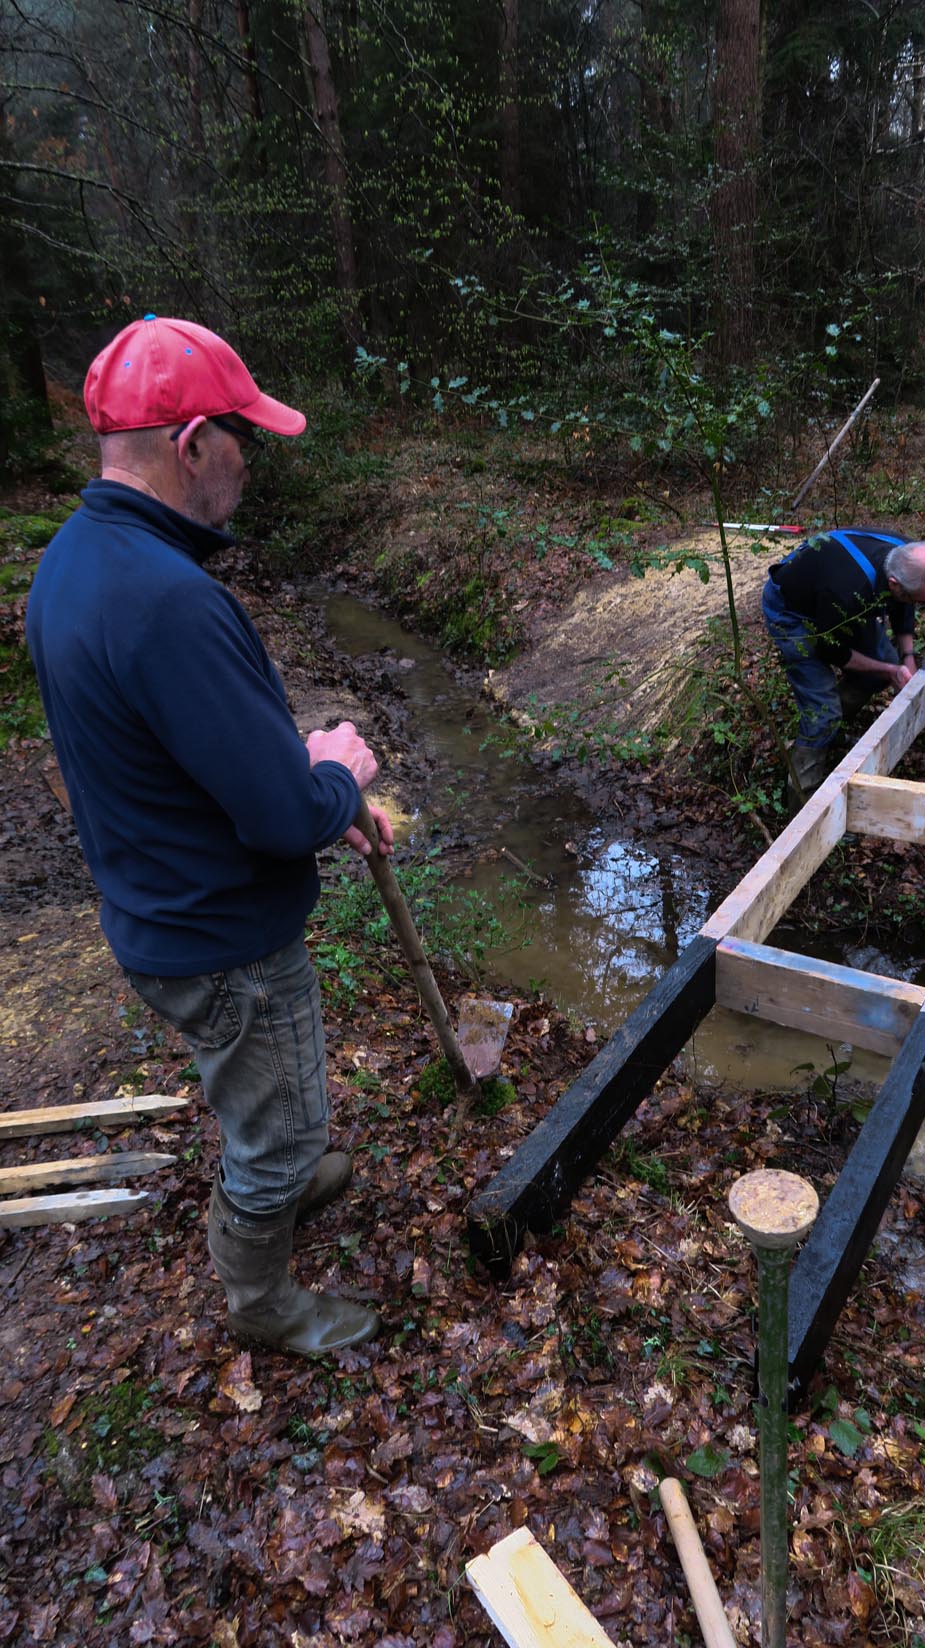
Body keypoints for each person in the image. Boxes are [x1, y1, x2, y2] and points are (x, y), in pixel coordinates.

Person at [26, 314, 395, 1356]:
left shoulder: (72, 565)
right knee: (280, 1124)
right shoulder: (170, 601)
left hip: (155, 910)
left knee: (254, 1088)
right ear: (191, 441)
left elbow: (164, 754)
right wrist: (335, 774)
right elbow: (282, 818)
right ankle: (261, 1293)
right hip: (223, 937)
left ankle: (276, 1171)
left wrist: (292, 765)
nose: (252, 462)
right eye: (243, 437)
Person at [760, 527, 925, 798]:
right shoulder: (847, 590)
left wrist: (907, 658)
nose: (917, 604)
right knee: (822, 713)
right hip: (795, 616)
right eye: (917, 600)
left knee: (884, 662)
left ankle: (834, 731)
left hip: (841, 606)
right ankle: (802, 796)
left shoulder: (910, 556)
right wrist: (891, 669)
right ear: (894, 583)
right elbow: (832, 652)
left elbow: (904, 603)